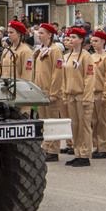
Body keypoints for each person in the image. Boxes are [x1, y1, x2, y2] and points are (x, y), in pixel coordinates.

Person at [33, 23, 65, 162]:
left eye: (42, 33)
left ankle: (53, 150)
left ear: (50, 35)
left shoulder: (55, 50)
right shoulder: (41, 50)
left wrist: (54, 92)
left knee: (52, 121)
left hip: (50, 91)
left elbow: (57, 73)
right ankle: (46, 146)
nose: (39, 35)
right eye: (38, 33)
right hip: (40, 91)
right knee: (44, 121)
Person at [62, 27, 94, 167]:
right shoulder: (68, 56)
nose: (72, 39)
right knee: (74, 125)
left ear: (81, 40)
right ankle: (77, 152)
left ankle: (85, 154)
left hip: (81, 95)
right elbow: (64, 76)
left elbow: (89, 77)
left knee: (84, 125)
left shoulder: (86, 56)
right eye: (70, 37)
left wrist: (87, 96)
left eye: (74, 37)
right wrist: (64, 93)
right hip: (70, 94)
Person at [89, 30, 106, 159]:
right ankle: (96, 146)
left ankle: (104, 147)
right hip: (92, 92)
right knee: (94, 121)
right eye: (92, 41)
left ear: (103, 42)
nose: (93, 43)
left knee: (102, 121)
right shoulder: (91, 57)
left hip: (101, 92)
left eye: (96, 41)